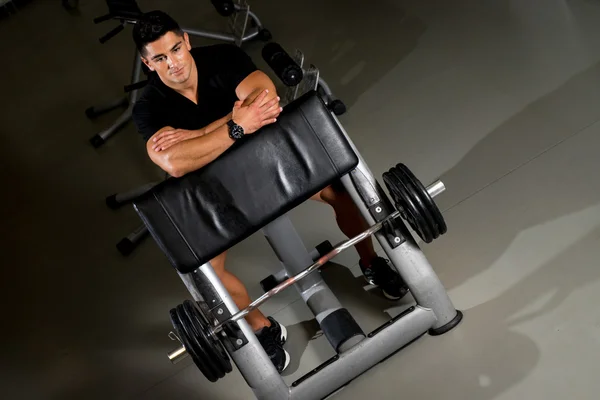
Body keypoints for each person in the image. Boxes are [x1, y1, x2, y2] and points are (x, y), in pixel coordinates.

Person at [131, 10, 408, 373]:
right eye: (160, 59)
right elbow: (175, 163)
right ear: (147, 63)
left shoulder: (224, 59)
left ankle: (371, 262)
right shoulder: (148, 107)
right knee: (206, 277)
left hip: (270, 165)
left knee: (344, 194)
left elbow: (265, 97)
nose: (174, 64)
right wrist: (236, 123)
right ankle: (264, 328)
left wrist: (199, 137)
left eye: (177, 50)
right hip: (215, 194)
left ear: (187, 41)